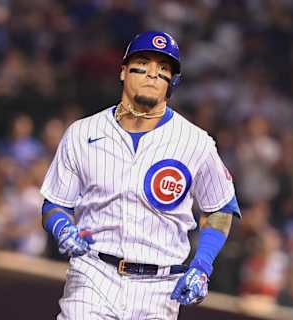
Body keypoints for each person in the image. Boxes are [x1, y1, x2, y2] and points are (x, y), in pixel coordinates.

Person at [40, 30, 240, 320]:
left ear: (173, 82)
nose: (152, 74)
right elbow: (55, 202)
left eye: (164, 69)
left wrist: (202, 266)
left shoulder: (196, 142)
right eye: (143, 63)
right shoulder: (82, 133)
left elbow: (221, 209)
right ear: (123, 71)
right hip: (94, 274)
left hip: (160, 289)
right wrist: (62, 227)